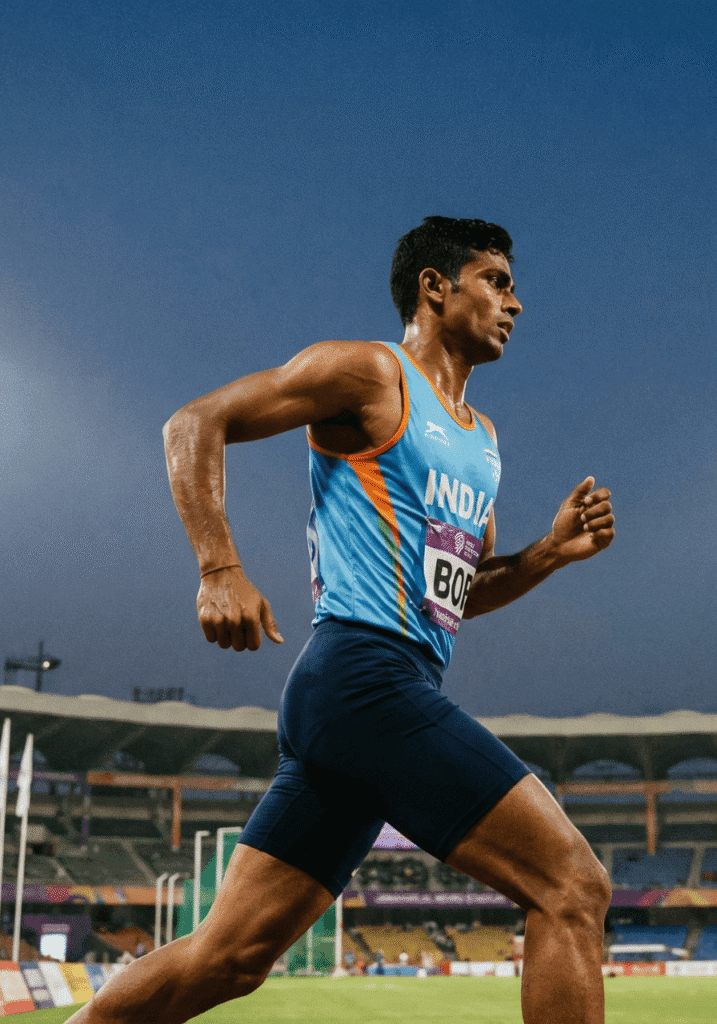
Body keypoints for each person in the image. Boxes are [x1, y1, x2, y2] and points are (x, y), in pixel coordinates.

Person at [66, 216, 615, 1024]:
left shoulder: (482, 441)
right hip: (363, 677)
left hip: (371, 696)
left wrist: (545, 556)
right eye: (495, 281)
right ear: (435, 287)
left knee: (230, 959)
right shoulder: (369, 373)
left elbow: (455, 595)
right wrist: (219, 567)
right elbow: (194, 422)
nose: (515, 303)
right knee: (572, 884)